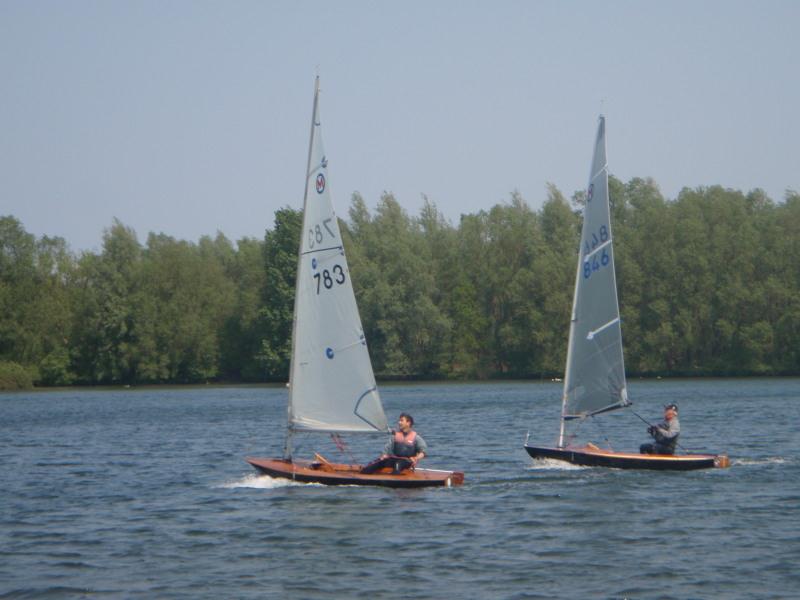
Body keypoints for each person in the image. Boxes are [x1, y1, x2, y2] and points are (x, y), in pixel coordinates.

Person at [361, 413, 427, 474]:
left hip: (407, 461)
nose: (399, 422)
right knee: (377, 463)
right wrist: (384, 455)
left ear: (408, 423)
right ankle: (363, 474)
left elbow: (423, 452)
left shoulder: (416, 438)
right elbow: (387, 448)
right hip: (395, 459)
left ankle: (394, 482)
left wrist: (416, 458)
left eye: (401, 421)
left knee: (398, 464)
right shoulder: (395, 436)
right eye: (399, 421)